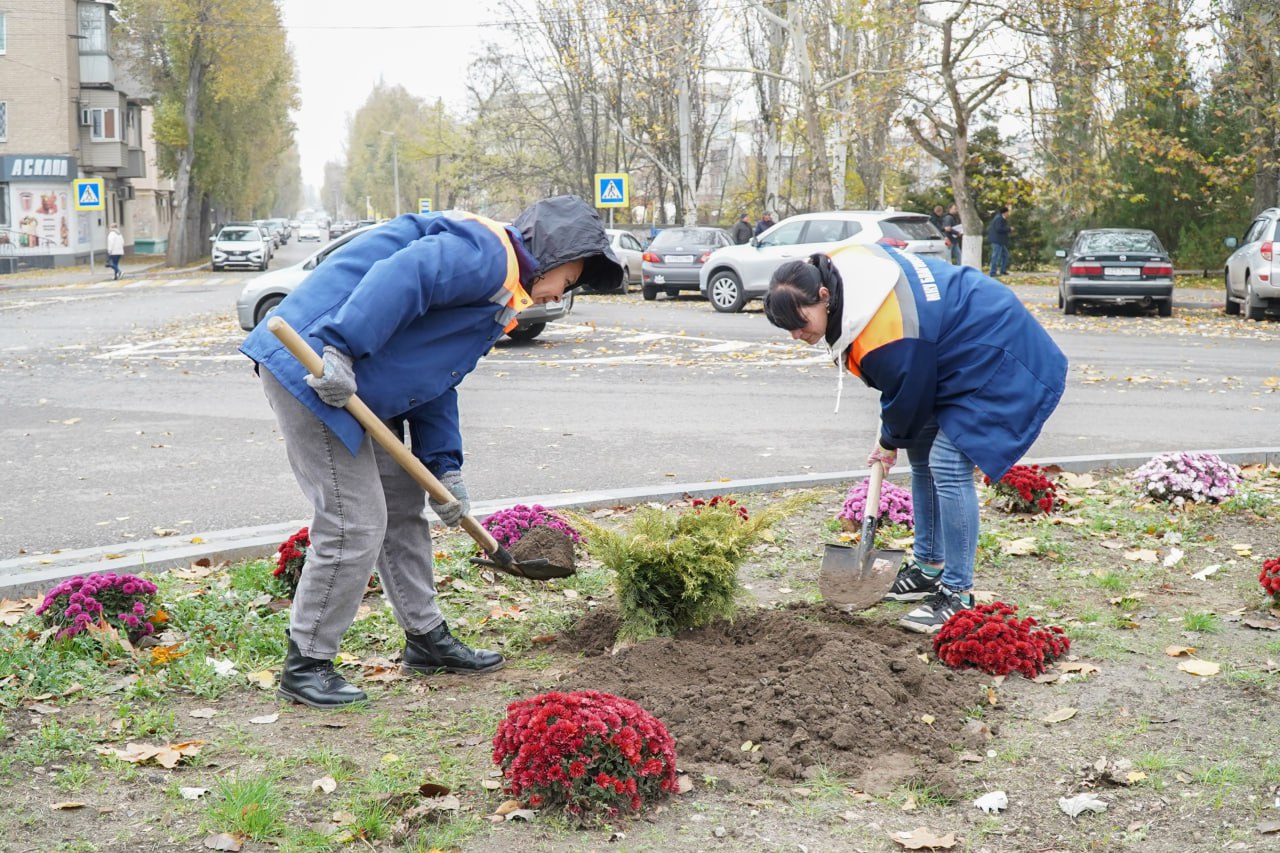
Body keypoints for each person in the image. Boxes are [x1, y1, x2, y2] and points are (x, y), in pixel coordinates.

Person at [240, 195, 623, 708]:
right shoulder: (487, 253)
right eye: (569, 279)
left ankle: (425, 638)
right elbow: (405, 274)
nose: (561, 293)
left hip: (360, 381)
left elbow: (437, 376)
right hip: (311, 366)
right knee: (355, 520)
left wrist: (445, 468)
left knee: (402, 505)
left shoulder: (501, 294)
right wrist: (341, 348)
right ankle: (307, 662)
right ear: (553, 252)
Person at [762, 245, 1066, 633]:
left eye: (799, 322)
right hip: (949, 344)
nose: (795, 334)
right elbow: (904, 383)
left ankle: (957, 594)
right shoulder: (839, 273)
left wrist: (888, 441)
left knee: (947, 463)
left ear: (823, 296)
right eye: (786, 327)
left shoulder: (887, 333)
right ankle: (927, 568)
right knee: (920, 449)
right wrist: (894, 435)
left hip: (997, 349)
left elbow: (908, 387)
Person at [988, 205, 1010, 277]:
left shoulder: (1001, 218)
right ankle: (993, 272)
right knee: (996, 256)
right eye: (1008, 212)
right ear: (1004, 212)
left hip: (1000, 241)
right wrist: (1009, 229)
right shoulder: (999, 219)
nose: (1008, 214)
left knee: (1005, 255)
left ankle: (1003, 270)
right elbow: (998, 229)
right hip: (997, 240)